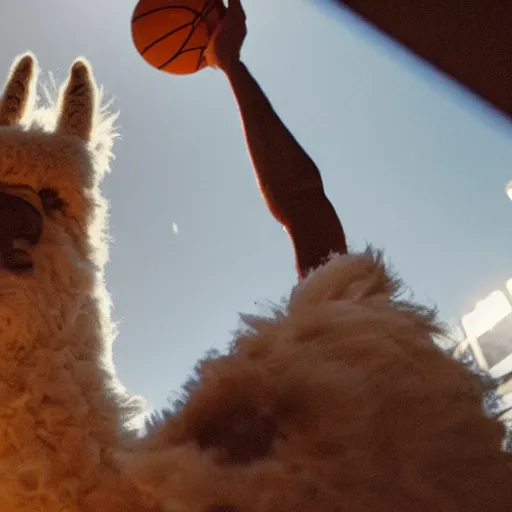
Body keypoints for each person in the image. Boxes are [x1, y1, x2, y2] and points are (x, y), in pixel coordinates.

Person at [206, 0, 347, 278]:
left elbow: (304, 206)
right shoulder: (342, 314)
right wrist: (229, 61)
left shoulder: (330, 316)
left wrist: (230, 62)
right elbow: (304, 204)